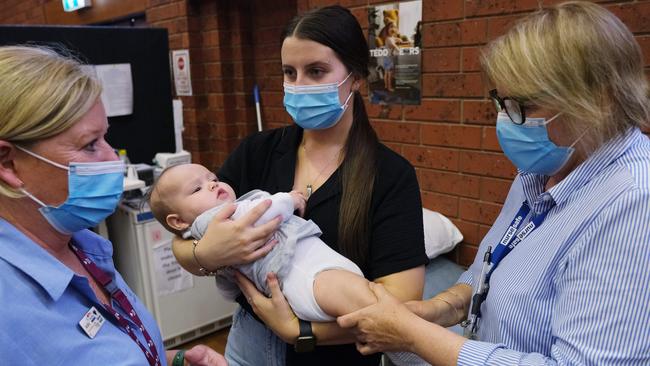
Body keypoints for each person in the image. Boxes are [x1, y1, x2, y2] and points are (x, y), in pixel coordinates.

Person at [337, 2, 650, 365]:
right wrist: (436, 310)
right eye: (501, 102)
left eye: (523, 106)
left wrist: (413, 336)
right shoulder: (545, 169)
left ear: (598, 101)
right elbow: (489, 269)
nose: (506, 121)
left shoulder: (633, 202)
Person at [171, 5, 428, 366]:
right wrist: (206, 254)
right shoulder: (257, 152)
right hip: (248, 341)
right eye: (289, 72)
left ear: (355, 76)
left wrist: (301, 332)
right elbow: (185, 235)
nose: (298, 85)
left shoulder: (389, 175)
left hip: (336, 352)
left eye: (316, 71)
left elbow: (401, 303)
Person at [0, 45, 227, 366]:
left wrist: (170, 360)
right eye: (89, 145)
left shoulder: (80, 247)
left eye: (105, 138)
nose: (113, 158)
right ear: (8, 163)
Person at [150, 163, 427, 366]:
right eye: (197, 188)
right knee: (382, 314)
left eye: (213, 178)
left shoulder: (391, 174)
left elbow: (227, 286)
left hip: (310, 285)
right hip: (309, 278)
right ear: (178, 222)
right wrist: (290, 199)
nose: (212, 184)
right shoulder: (218, 219)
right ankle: (424, 352)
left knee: (378, 312)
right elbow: (266, 210)